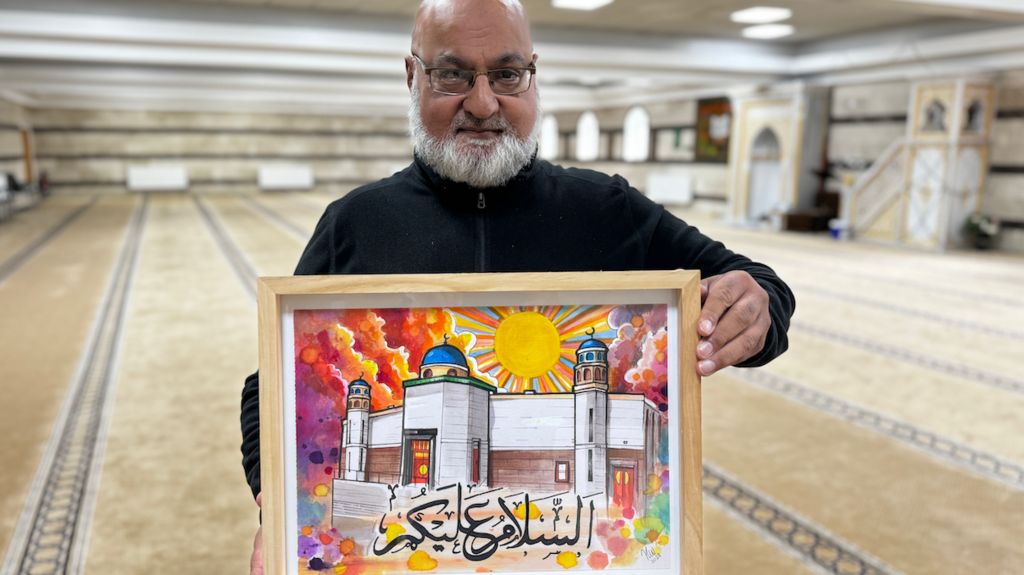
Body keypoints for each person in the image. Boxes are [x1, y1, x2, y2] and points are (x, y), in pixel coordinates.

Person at [243, 0, 795, 571]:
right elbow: (274, 383)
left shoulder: (606, 209)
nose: (483, 104)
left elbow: (759, 289)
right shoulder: (358, 223)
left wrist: (756, 308)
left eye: (506, 74)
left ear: (532, 74)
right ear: (413, 77)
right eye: (452, 74)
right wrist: (278, 507)